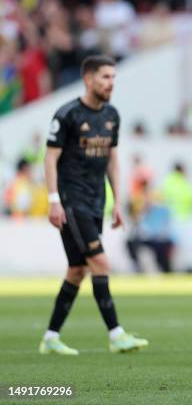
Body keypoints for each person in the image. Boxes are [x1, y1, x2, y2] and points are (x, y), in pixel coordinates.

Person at [40, 54, 148, 355]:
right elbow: (50, 158)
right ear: (88, 79)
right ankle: (116, 335)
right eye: (105, 77)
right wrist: (53, 200)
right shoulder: (68, 114)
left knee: (77, 270)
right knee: (100, 263)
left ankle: (50, 338)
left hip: (96, 200)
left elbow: (112, 158)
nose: (110, 83)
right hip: (71, 201)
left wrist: (116, 201)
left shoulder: (112, 115)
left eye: (113, 77)